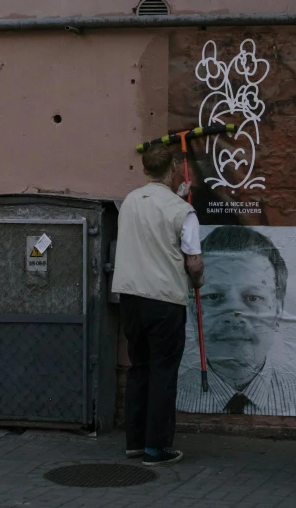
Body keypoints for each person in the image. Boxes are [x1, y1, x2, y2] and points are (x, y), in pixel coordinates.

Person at [111, 143, 205, 467]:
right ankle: (157, 448)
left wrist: (176, 194)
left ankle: (135, 443)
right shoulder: (182, 211)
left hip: (130, 298)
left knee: (139, 369)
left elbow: (152, 220)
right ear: (176, 166)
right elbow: (194, 262)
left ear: (145, 169)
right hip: (164, 300)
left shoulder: (130, 202)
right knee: (164, 373)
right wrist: (199, 283)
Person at [176, 226, 296, 416]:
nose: (235, 316)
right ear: (194, 311)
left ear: (278, 310)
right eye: (213, 297)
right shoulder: (175, 397)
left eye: (253, 298)